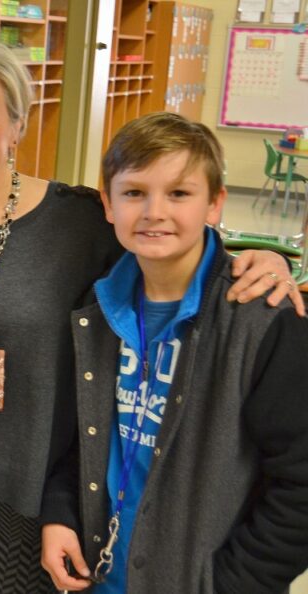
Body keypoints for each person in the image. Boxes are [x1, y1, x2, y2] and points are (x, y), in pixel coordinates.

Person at [0, 44, 303, 593]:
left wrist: (262, 261)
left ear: (17, 126)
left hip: (37, 495)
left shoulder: (82, 221)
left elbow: (164, 241)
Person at [40, 112, 308, 593]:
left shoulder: (262, 320)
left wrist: (233, 584)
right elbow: (83, 435)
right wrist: (60, 514)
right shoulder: (94, 310)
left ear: (214, 204)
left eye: (179, 194)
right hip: (100, 576)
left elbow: (301, 485)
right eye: (134, 192)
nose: (154, 212)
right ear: (108, 203)